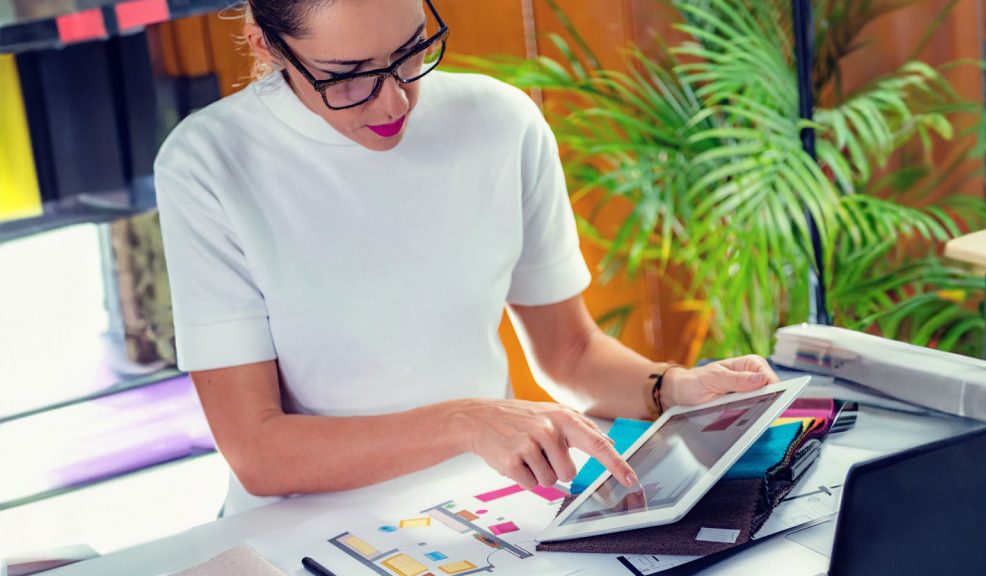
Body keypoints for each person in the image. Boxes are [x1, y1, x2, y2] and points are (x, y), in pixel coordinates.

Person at [154, 0, 780, 515]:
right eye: (346, 75)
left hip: (486, 511)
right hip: (299, 534)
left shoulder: (499, 122)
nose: (394, 102)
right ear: (264, 43)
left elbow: (571, 354)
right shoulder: (209, 162)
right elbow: (259, 454)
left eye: (410, 52)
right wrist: (463, 421)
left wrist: (674, 387)